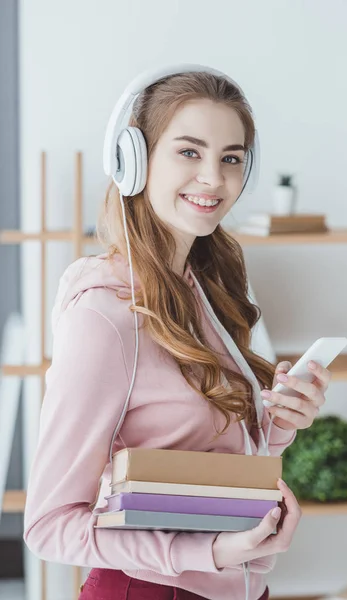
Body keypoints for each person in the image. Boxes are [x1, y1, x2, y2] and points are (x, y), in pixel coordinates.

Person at [23, 65, 331, 600]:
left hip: (238, 585)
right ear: (133, 161)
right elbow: (48, 526)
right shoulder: (105, 316)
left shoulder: (208, 288)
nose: (213, 178)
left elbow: (202, 454)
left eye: (230, 158)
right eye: (189, 151)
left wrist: (278, 421)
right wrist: (206, 553)